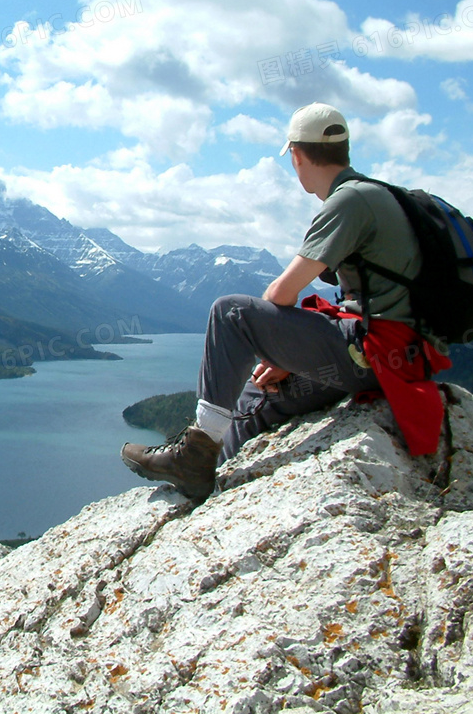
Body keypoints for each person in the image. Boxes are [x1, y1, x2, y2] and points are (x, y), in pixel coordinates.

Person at [121, 102, 444, 502]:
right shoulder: (382, 196)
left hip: (375, 352)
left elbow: (280, 295)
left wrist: (279, 345)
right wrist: (287, 355)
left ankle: (192, 456)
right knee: (261, 391)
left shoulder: (350, 202)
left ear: (296, 154)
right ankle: (208, 478)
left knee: (230, 312)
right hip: (397, 358)